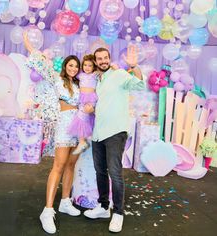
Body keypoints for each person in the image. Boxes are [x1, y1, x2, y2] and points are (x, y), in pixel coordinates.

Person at [23, 33, 93, 234]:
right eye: (70, 65)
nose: (73, 68)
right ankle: (47, 210)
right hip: (63, 126)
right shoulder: (57, 80)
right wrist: (30, 46)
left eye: (76, 66)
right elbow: (42, 64)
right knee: (59, 165)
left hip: (79, 127)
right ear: (65, 67)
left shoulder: (80, 85)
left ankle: (65, 201)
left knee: (71, 165)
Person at [83, 45, 144, 233]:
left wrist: (134, 66)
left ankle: (118, 213)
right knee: (100, 171)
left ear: (109, 58)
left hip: (116, 132)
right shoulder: (98, 80)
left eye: (105, 58)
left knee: (115, 173)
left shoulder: (119, 75)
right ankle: (103, 207)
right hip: (98, 133)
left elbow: (139, 84)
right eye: (99, 58)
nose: (103, 61)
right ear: (95, 61)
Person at [68, 54, 98, 155]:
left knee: (84, 116)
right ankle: (83, 141)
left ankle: (82, 142)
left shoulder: (95, 75)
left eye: (90, 65)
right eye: (85, 65)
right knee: (81, 118)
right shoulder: (80, 75)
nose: (87, 68)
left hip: (91, 98)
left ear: (93, 66)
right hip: (82, 98)